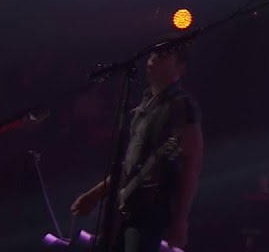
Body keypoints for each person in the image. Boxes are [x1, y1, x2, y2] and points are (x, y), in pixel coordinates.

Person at [71, 43, 203, 252]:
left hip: (150, 210)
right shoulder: (145, 103)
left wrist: (180, 220)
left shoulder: (181, 105)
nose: (154, 58)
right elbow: (130, 164)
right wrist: (95, 194)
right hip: (123, 207)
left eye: (164, 54)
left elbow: (191, 164)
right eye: (153, 53)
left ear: (180, 67)